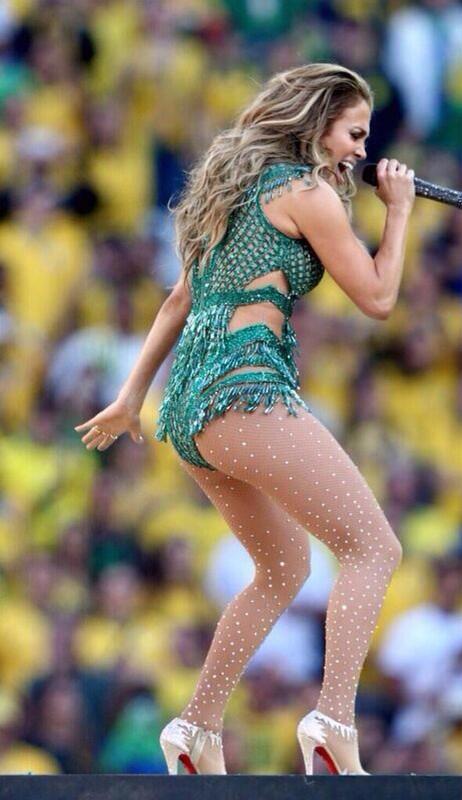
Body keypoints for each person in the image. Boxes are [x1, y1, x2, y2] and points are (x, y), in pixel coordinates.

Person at [75, 63, 415, 776]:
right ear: (317, 123)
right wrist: (399, 210)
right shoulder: (307, 193)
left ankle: (196, 728)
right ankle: (333, 720)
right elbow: (379, 298)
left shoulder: (233, 191)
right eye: (355, 133)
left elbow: (177, 301)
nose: (361, 150)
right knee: (373, 549)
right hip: (244, 386)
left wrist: (132, 397)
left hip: (188, 407)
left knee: (284, 566)